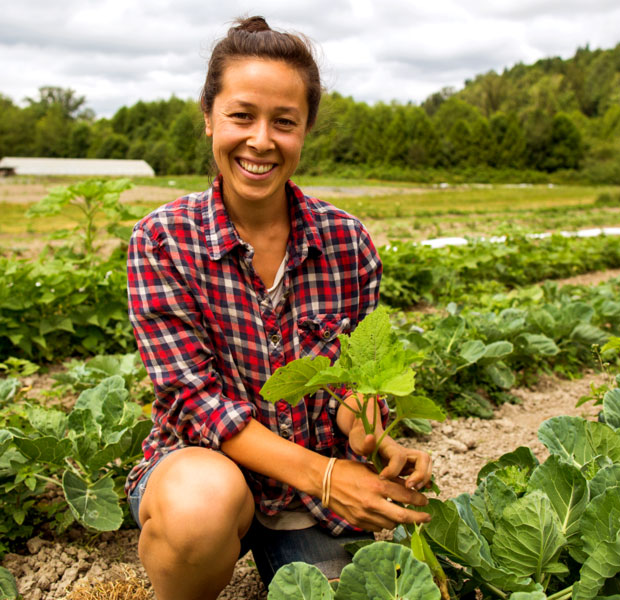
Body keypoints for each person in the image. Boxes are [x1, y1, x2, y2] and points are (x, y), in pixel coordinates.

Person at [125, 17, 433, 600]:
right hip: (207, 469)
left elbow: (351, 379)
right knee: (199, 508)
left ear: (304, 131)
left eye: (284, 122)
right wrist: (327, 474)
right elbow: (198, 405)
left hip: (309, 501)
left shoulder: (347, 242)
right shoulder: (162, 240)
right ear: (209, 116)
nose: (261, 140)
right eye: (242, 115)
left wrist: (373, 432)